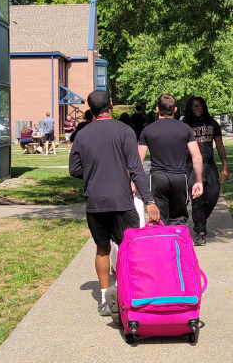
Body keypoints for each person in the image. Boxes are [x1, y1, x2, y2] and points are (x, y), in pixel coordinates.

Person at [70, 90, 161, 316]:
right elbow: (136, 169)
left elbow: (74, 169)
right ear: (111, 105)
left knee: (102, 248)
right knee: (128, 248)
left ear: (90, 109)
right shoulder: (125, 131)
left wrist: (94, 172)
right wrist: (149, 200)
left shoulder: (82, 134)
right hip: (121, 200)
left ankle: (103, 299)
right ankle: (128, 294)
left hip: (95, 201)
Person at [137, 93, 204, 226]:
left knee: (158, 219)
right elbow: (197, 157)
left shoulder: (147, 131)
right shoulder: (185, 129)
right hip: (179, 178)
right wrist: (199, 181)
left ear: (157, 109)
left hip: (157, 179)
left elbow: (139, 160)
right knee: (179, 220)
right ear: (175, 109)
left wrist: (135, 183)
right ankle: (177, 245)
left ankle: (161, 245)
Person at [182, 96, 229, 246]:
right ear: (190, 108)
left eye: (199, 106)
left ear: (204, 107)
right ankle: (200, 232)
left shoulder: (212, 123)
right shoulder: (185, 125)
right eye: (194, 106)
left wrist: (225, 165)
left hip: (210, 165)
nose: (197, 108)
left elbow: (220, 146)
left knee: (213, 195)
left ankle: (200, 219)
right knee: (197, 199)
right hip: (191, 166)